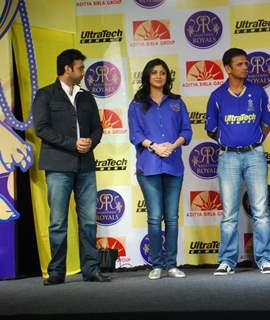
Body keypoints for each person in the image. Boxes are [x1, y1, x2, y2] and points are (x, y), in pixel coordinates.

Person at [32, 49, 110, 285]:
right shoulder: (45, 95)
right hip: (58, 165)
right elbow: (41, 129)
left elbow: (97, 128)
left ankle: (91, 269)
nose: (83, 71)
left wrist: (90, 142)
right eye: (80, 67)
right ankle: (56, 272)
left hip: (85, 165)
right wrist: (72, 144)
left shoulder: (86, 96)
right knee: (57, 222)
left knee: (88, 220)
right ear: (67, 69)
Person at [205, 48, 270, 275]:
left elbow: (267, 123)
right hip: (228, 157)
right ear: (227, 68)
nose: (245, 67)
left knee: (261, 210)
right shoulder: (217, 96)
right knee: (229, 214)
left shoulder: (257, 92)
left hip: (254, 155)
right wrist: (229, 142)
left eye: (246, 64)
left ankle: (265, 259)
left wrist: (254, 142)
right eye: (240, 64)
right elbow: (211, 129)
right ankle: (227, 260)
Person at [128, 58, 192, 280]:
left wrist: (173, 146)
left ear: (167, 77)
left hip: (174, 165)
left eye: (162, 73)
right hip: (149, 166)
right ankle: (156, 264)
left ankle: (172, 264)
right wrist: (154, 146)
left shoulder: (177, 103)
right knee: (155, 217)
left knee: (172, 218)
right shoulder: (136, 104)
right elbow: (135, 134)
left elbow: (187, 131)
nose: (158, 76)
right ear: (147, 76)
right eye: (154, 72)